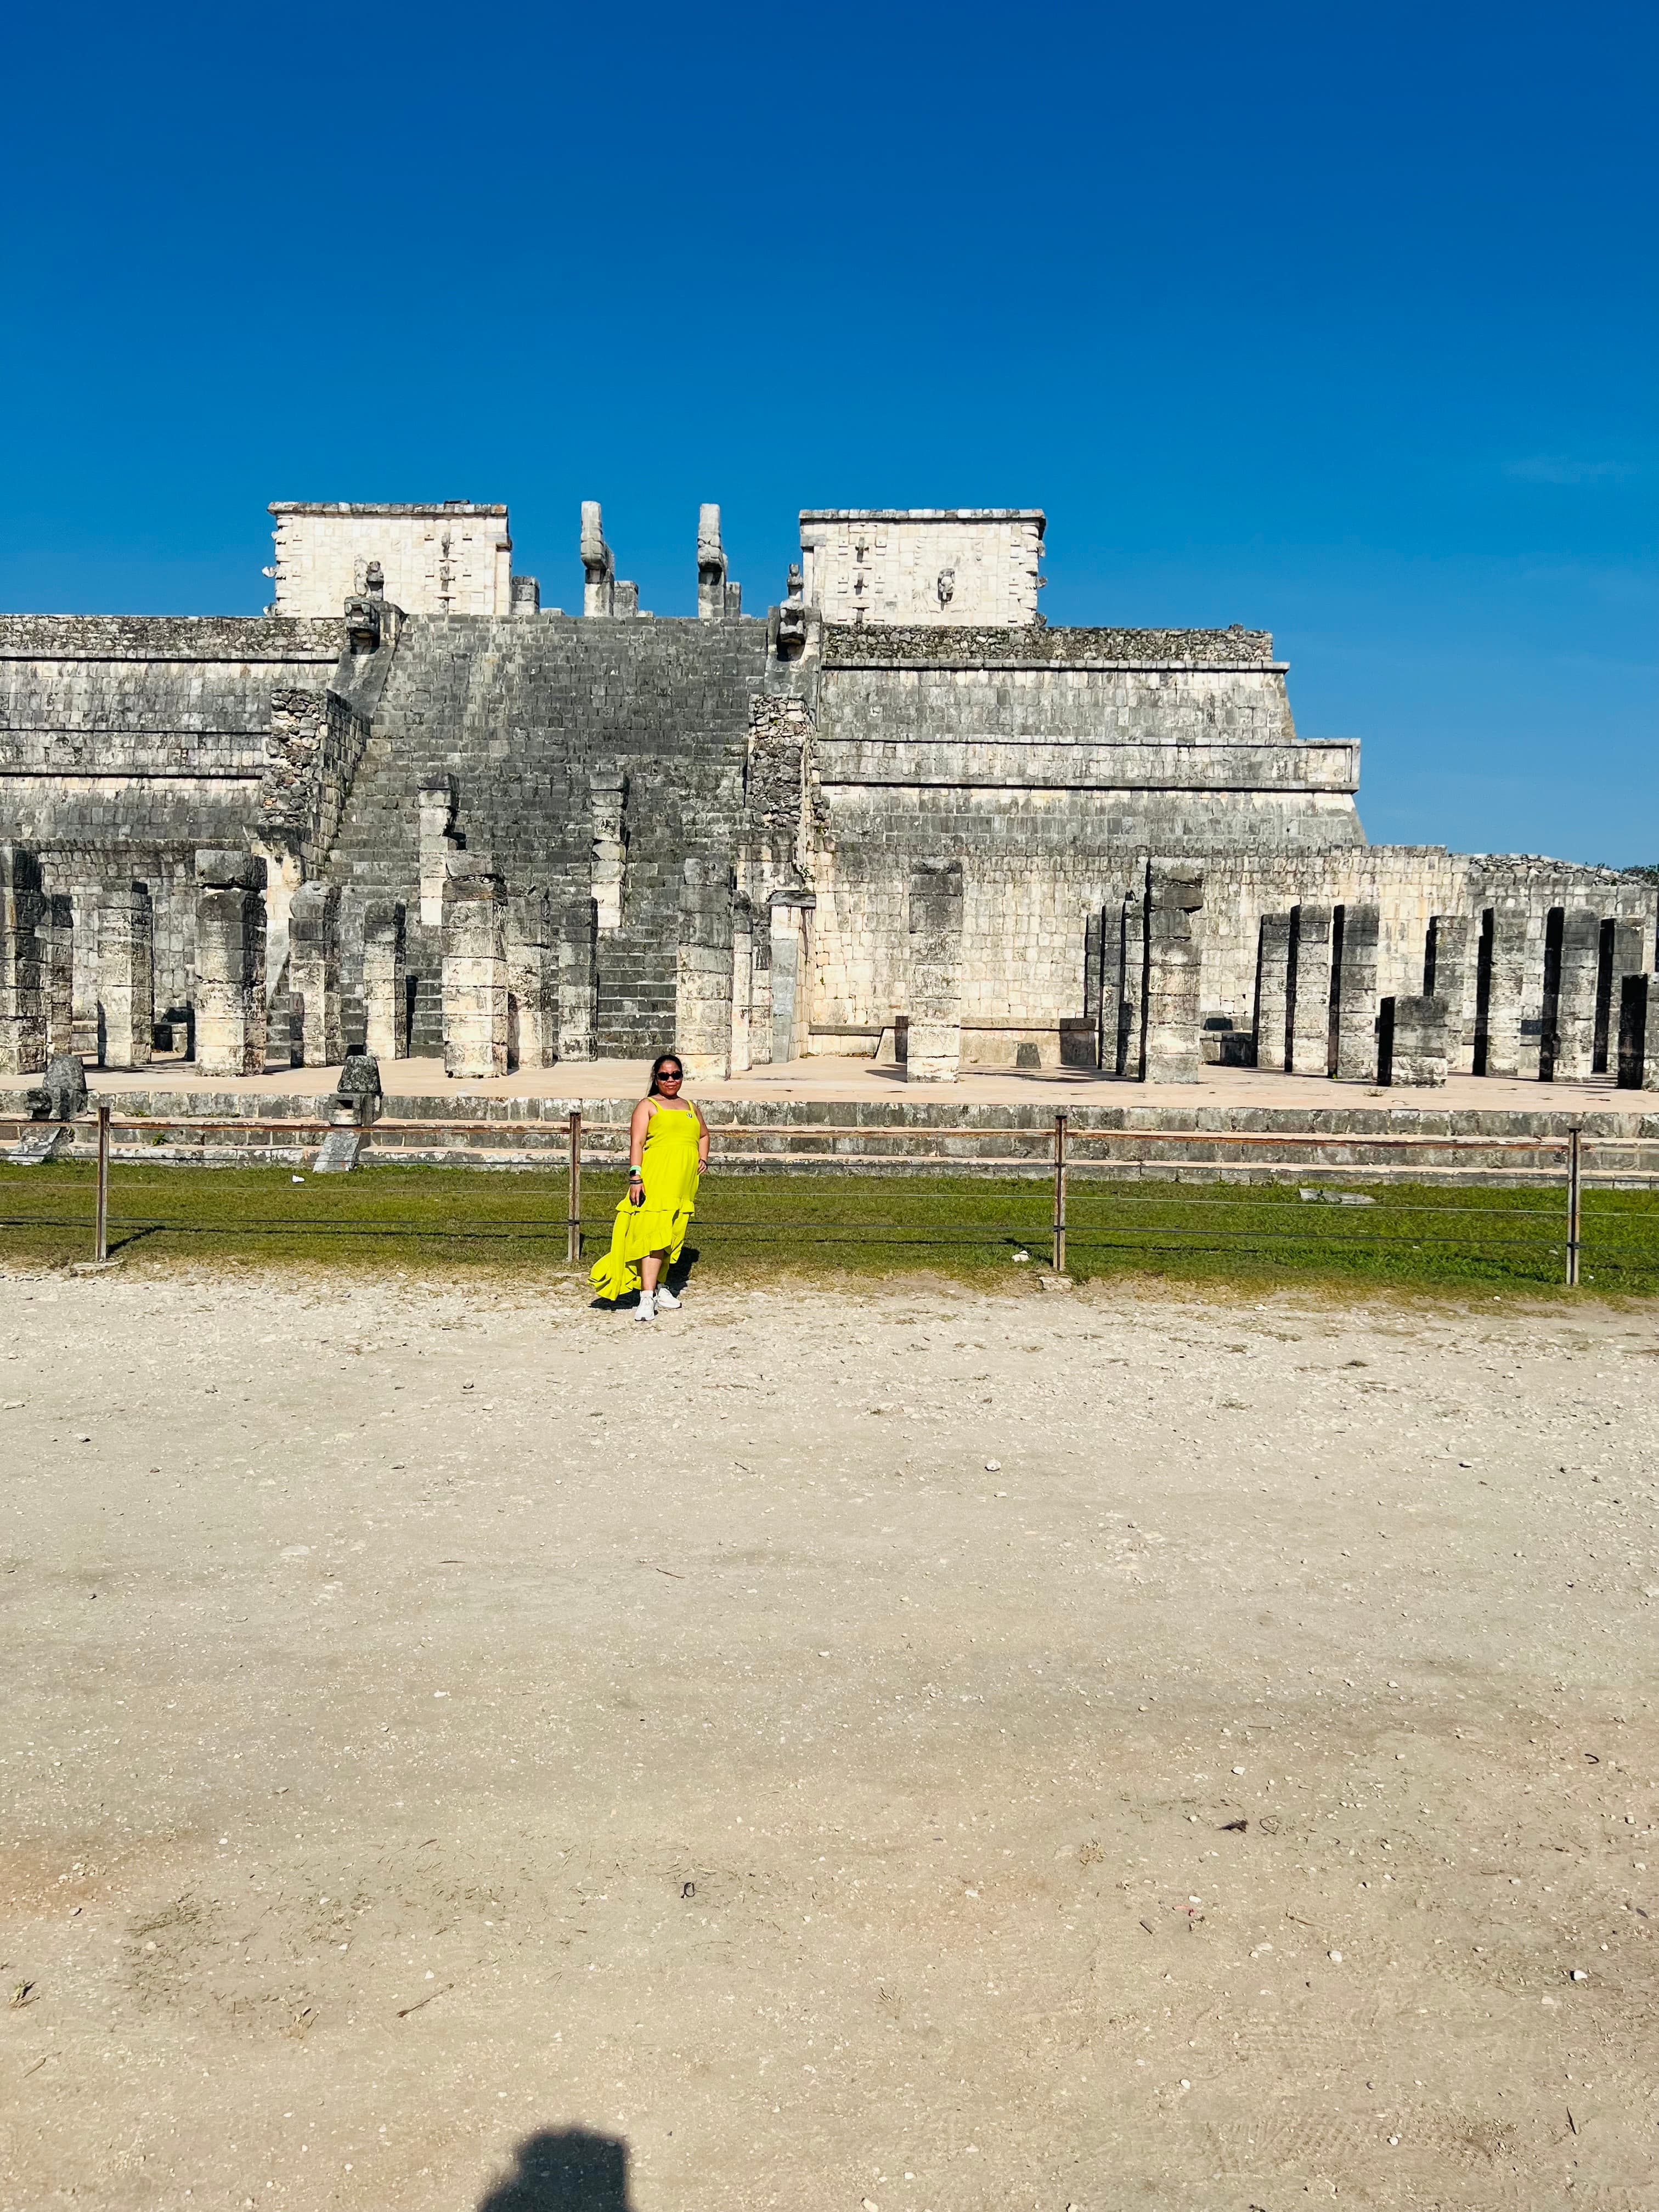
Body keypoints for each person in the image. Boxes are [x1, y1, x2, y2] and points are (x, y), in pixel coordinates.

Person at [589, 1052, 709, 1320]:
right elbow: (637, 1143)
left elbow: (703, 1134)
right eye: (665, 1076)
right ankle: (646, 1296)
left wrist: (702, 1158)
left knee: (671, 1234)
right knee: (653, 1235)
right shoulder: (648, 1105)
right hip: (656, 1180)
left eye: (676, 1075)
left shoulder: (691, 1107)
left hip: (683, 1183)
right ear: (656, 1078)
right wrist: (636, 1177)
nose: (670, 1080)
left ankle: (661, 1286)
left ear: (682, 1077)